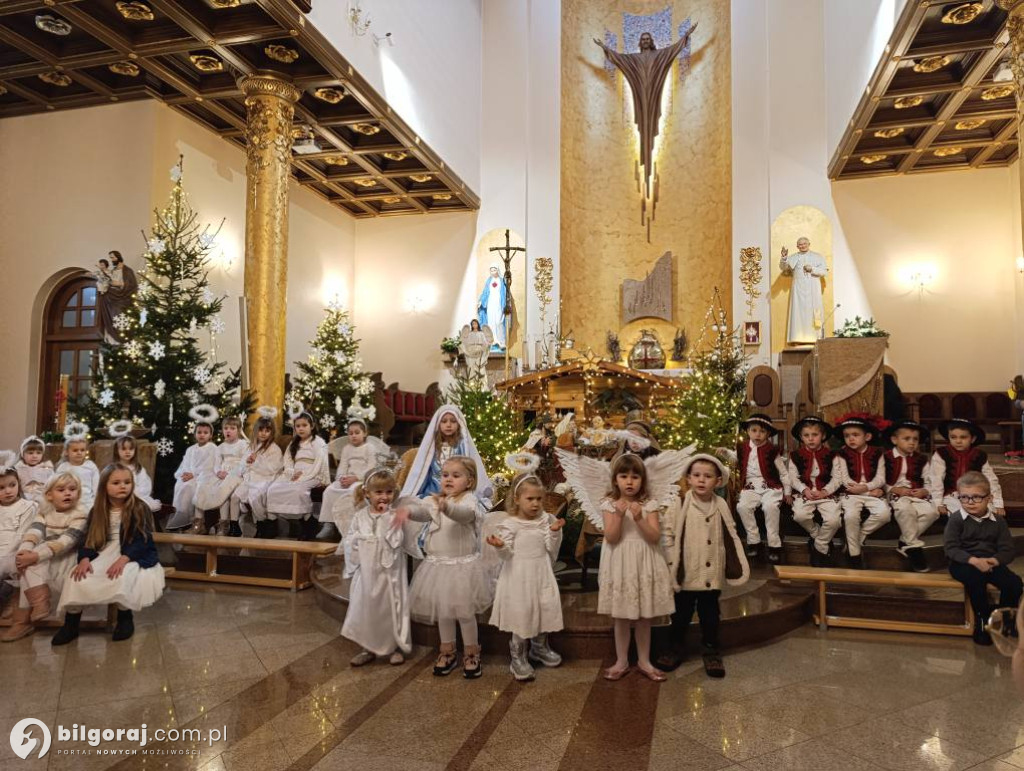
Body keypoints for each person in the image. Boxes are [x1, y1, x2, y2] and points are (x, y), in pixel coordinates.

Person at [397, 456, 493, 679]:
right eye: (445, 475)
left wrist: (446, 506)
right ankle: (447, 650)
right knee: (444, 611)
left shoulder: (468, 500)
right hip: (438, 566)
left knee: (465, 612)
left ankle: (471, 652)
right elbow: (423, 513)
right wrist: (409, 512)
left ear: (469, 482)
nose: (448, 479)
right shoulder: (435, 500)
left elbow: (463, 516)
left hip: (461, 567)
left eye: (456, 475)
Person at [52, 463, 165, 645]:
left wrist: (123, 559)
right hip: (103, 551)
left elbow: (141, 539)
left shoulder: (139, 507)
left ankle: (125, 618)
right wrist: (85, 558)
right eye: (116, 482)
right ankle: (71, 624)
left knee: (122, 575)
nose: (123, 486)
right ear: (104, 485)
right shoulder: (97, 510)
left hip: (131, 553)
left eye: (127, 482)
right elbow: (88, 538)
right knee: (77, 578)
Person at [663, 454, 748, 678]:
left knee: (710, 614)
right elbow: (668, 534)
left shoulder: (720, 505)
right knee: (680, 614)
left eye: (708, 476)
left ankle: (711, 649)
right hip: (686, 572)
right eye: (697, 475)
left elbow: (730, 534)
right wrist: (672, 560)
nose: (702, 480)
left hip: (712, 573)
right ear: (688, 478)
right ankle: (675, 647)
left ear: (718, 481)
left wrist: (731, 564)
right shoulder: (679, 503)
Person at [596, 454, 675, 682]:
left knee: (643, 616)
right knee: (621, 615)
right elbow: (611, 537)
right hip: (620, 559)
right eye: (624, 476)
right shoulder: (609, 504)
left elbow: (653, 537)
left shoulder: (649, 504)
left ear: (642, 480)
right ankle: (621, 661)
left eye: (635, 477)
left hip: (644, 559)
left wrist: (639, 517)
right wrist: (620, 515)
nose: (629, 482)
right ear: (615, 480)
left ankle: (644, 660)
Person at [486, 472, 565, 681]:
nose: (535, 503)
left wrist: (555, 532)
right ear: (517, 499)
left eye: (539, 499)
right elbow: (506, 555)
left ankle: (538, 647)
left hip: (541, 572)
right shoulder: (510, 524)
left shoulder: (546, 520)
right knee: (522, 612)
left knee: (543, 607)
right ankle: (518, 656)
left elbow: (551, 548)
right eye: (530, 499)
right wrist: (501, 546)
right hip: (518, 577)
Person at [341, 468, 412, 667]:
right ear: (367, 493)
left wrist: (389, 521)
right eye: (379, 492)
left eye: (389, 492)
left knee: (389, 609)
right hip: (367, 573)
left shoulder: (394, 515)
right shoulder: (360, 516)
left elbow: (397, 541)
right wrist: (361, 540)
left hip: (388, 574)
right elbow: (350, 541)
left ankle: (393, 647)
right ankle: (368, 647)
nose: (384, 497)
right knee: (367, 609)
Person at [4, 473, 86, 641]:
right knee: (25, 564)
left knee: (36, 563)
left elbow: (66, 542)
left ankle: (53, 611)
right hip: (46, 552)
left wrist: (35, 555)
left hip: (66, 554)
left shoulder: (80, 514)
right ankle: (38, 603)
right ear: (49, 495)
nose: (68, 493)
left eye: (72, 489)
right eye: (61, 490)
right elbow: (34, 531)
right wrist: (24, 551)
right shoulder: (44, 512)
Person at [944, 471, 1023, 646]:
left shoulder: (998, 521)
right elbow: (951, 549)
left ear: (989, 498)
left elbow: (1007, 550)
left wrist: (995, 560)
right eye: (964, 497)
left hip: (990, 562)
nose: (970, 502)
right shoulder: (956, 519)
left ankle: (1005, 620)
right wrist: (973, 560)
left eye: (976, 497)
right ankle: (982, 621)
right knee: (976, 579)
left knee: (1014, 583)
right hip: (963, 563)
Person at [397, 405, 492, 507]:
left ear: (459, 424)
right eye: (444, 421)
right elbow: (423, 472)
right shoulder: (432, 447)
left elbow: (470, 468)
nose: (448, 425)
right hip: (433, 491)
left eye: (453, 421)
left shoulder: (462, 446)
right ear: (438, 424)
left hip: (457, 492)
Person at [834, 414, 890, 569]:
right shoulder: (841, 454)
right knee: (851, 516)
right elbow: (844, 480)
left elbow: (881, 477)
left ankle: (857, 537)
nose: (851, 439)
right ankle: (854, 554)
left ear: (868, 436)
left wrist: (866, 488)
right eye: (847, 436)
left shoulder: (878, 453)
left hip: (872, 490)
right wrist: (866, 492)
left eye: (855, 435)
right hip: (850, 494)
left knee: (884, 514)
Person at [318, 417, 386, 542]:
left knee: (353, 492)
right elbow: (342, 466)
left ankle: (352, 524)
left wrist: (356, 478)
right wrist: (341, 478)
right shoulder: (347, 449)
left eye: (357, 433)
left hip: (363, 480)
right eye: (350, 433)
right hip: (347, 478)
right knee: (330, 490)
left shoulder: (369, 448)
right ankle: (329, 523)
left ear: (364, 433)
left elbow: (371, 467)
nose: (353, 436)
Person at [734, 414, 790, 564]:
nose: (757, 434)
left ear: (768, 434)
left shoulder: (772, 450)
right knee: (742, 507)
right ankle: (754, 542)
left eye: (762, 431)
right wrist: (726, 453)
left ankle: (774, 545)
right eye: (754, 430)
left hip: (769, 485)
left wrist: (788, 492)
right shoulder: (743, 447)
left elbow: (783, 473)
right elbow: (736, 459)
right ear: (748, 431)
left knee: (770, 507)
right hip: (750, 485)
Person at [884, 419, 937, 573]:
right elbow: (880, 481)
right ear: (894, 440)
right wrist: (893, 489)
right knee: (905, 510)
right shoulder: (886, 458)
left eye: (915, 439)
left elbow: (929, 480)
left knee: (931, 512)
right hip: (895, 494)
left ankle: (905, 541)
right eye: (906, 439)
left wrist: (925, 491)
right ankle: (914, 549)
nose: (912, 443)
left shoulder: (921, 459)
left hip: (916, 494)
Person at [266, 412, 330, 540]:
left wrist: (305, 475)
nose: (301, 428)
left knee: (299, 491)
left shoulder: (318, 442)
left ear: (311, 426)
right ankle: (275, 524)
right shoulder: (294, 443)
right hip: (295, 473)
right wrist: (291, 472)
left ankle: (308, 523)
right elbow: (288, 460)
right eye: (298, 426)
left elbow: (320, 462)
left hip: (312, 473)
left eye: (304, 425)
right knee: (273, 489)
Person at [787, 417, 842, 566]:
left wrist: (825, 491)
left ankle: (820, 545)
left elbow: (838, 478)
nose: (810, 439)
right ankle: (816, 533)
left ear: (823, 436)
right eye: (806, 435)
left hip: (826, 494)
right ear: (801, 437)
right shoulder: (795, 456)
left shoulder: (832, 456)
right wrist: (804, 489)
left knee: (834, 520)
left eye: (815, 435)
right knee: (799, 515)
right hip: (805, 494)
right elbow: (793, 478)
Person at [929, 418, 1005, 518]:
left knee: (988, 514)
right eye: (953, 437)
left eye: (963, 437)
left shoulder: (979, 455)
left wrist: (998, 503)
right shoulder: (942, 454)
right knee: (964, 515)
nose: (958, 441)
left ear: (972, 439)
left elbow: (991, 480)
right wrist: (938, 503)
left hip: (976, 495)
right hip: (951, 496)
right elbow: (936, 480)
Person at [0, 461, 38, 638]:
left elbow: (22, 534)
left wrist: (6, 554)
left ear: (18, 484)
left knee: (8, 570)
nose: (8, 491)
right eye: (1, 488)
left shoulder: (27, 507)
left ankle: (8, 602)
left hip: (14, 551)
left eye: (12, 485)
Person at [231, 411, 284, 539]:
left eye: (267, 430)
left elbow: (272, 469)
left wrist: (256, 462)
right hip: (250, 479)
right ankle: (234, 526)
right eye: (261, 430)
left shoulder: (274, 449)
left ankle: (262, 524)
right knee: (234, 497)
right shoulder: (251, 447)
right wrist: (247, 463)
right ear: (256, 431)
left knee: (255, 497)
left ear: (272, 432)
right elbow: (242, 467)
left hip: (266, 479)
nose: (263, 433)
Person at [195, 417, 248, 536]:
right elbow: (216, 463)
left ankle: (229, 524)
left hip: (237, 474)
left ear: (239, 430)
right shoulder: (220, 447)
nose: (228, 431)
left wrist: (231, 473)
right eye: (226, 428)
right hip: (223, 474)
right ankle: (222, 523)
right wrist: (218, 471)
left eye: (232, 428)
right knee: (208, 485)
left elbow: (244, 463)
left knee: (226, 491)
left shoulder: (243, 445)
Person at [167, 421, 218, 532]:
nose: (202, 435)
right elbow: (185, 464)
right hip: (191, 476)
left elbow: (209, 465)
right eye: (199, 432)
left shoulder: (212, 448)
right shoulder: (190, 449)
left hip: (204, 476)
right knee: (181, 484)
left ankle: (194, 520)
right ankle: (182, 517)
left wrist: (193, 474)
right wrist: (184, 474)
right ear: (195, 434)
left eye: (205, 432)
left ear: (210, 435)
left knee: (190, 487)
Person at [778, 237, 828, 345]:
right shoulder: (793, 257)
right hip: (798, 290)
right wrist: (784, 257)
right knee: (798, 313)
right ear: (797, 246)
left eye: (804, 243)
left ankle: (816, 337)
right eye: (800, 244)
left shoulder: (817, 257)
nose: (802, 246)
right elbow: (783, 267)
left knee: (814, 312)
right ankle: (797, 337)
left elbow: (824, 272)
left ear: (809, 244)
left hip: (813, 288)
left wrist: (812, 269)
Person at [97, 250, 139, 344]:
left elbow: (131, 285)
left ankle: (122, 338)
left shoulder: (127, 270)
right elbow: (108, 280)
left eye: (113, 257)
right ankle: (113, 339)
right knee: (112, 317)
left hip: (123, 299)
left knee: (121, 317)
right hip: (111, 298)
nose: (111, 260)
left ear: (118, 257)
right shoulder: (113, 271)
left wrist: (118, 283)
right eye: (110, 258)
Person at [113, 435, 161, 513]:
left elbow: (145, 486)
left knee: (139, 507)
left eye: (131, 449)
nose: (127, 452)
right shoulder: (113, 469)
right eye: (124, 449)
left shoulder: (138, 469)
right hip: (118, 497)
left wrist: (134, 494)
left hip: (136, 497)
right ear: (117, 450)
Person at [56, 434, 99, 510]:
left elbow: (96, 486)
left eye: (82, 450)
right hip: (68, 500)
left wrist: (96, 502)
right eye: (75, 450)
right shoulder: (63, 467)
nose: (79, 453)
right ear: (66, 452)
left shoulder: (91, 466)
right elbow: (57, 485)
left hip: (88, 501)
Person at [477, 265, 507, 350]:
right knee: (490, 322)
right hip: (490, 303)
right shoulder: (489, 281)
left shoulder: (502, 281)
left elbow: (505, 293)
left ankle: (502, 341)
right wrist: (480, 301)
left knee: (499, 322)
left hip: (499, 303)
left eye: (494, 270)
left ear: (498, 270)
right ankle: (492, 341)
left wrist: (506, 304)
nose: (493, 272)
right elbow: (485, 292)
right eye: (491, 270)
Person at [16, 435, 53, 503]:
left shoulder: (47, 468)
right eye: (30, 453)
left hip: (43, 499)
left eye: (38, 453)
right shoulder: (19, 469)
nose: (35, 456)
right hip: (24, 499)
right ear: (22, 454)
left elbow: (52, 484)